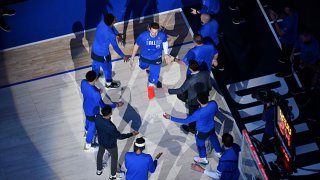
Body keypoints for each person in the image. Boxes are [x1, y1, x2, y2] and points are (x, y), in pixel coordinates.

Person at [163, 92, 222, 165]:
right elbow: (215, 112)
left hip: (201, 132)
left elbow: (185, 121)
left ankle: (203, 159)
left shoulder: (198, 113)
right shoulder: (213, 103)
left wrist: (170, 117)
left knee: (201, 145)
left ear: (198, 101)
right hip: (211, 127)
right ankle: (219, 152)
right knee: (214, 139)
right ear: (208, 98)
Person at [165, 60, 212, 134]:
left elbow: (180, 90)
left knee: (192, 115)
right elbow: (209, 83)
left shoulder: (190, 80)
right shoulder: (206, 73)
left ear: (190, 68)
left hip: (193, 100)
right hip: (204, 96)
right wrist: (208, 90)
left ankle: (192, 128)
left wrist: (168, 90)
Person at [80, 70, 124, 151]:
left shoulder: (83, 82)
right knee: (92, 128)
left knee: (88, 120)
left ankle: (86, 132)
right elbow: (103, 106)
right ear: (95, 79)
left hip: (86, 107)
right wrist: (116, 104)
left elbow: (85, 91)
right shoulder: (95, 94)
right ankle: (88, 145)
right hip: (93, 111)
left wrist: (97, 91)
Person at [129, 22, 171, 100]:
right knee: (143, 67)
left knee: (154, 76)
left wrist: (166, 54)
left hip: (156, 58)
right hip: (144, 57)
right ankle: (144, 66)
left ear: (158, 30)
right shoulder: (143, 36)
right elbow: (136, 45)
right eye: (152, 32)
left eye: (156, 32)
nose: (154, 34)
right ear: (149, 29)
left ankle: (150, 87)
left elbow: (165, 42)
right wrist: (132, 57)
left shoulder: (162, 35)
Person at [95, 105, 139, 179]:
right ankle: (113, 176)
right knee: (114, 159)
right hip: (111, 145)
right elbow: (120, 137)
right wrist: (131, 134)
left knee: (100, 153)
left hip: (101, 141)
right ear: (109, 114)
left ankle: (99, 170)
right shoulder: (111, 127)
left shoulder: (98, 117)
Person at [91, 13, 129, 89]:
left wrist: (117, 34)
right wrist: (123, 56)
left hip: (94, 49)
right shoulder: (110, 35)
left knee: (95, 64)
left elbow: (111, 28)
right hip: (103, 54)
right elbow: (115, 47)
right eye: (114, 19)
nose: (115, 18)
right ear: (112, 22)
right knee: (107, 68)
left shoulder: (102, 22)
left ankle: (95, 76)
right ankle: (109, 83)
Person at [269, 3, 298, 76]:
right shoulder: (295, 14)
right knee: (286, 54)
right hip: (290, 39)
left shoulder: (289, 22)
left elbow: (281, 33)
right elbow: (284, 16)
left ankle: (288, 72)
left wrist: (274, 20)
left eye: (286, 9)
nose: (284, 9)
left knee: (288, 57)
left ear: (289, 10)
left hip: (288, 41)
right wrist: (276, 14)